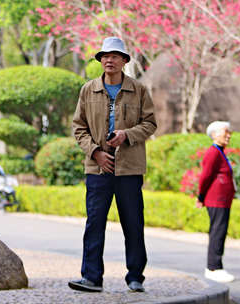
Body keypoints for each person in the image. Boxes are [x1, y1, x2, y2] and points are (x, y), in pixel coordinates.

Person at [69, 36, 157, 294]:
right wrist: (95, 152)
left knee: (133, 223)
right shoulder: (88, 89)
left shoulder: (139, 89)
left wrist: (127, 135)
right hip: (98, 168)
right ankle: (92, 277)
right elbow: (79, 128)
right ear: (100, 60)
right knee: (94, 222)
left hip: (130, 168)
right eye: (105, 55)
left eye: (115, 56)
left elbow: (150, 123)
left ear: (124, 61)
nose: (109, 59)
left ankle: (135, 277)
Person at [196, 121, 236, 284]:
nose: (228, 135)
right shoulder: (213, 152)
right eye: (225, 132)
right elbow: (205, 176)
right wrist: (201, 196)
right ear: (214, 135)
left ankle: (215, 266)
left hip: (222, 200)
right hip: (216, 199)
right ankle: (213, 268)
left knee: (220, 231)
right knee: (217, 232)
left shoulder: (220, 152)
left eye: (229, 132)